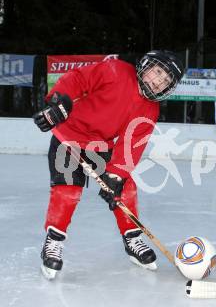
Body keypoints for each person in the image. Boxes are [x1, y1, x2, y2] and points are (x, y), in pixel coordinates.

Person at [33, 51, 184, 279]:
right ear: (146, 64)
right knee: (67, 189)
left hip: (99, 145)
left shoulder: (150, 110)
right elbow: (78, 80)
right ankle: (54, 242)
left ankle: (132, 239)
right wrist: (59, 102)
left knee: (126, 188)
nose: (159, 81)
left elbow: (130, 145)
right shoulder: (116, 70)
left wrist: (116, 176)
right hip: (68, 135)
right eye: (159, 72)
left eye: (166, 81)